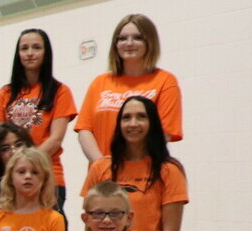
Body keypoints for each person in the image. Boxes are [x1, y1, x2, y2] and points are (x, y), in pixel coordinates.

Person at [77, 14, 181, 162]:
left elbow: (164, 133)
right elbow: (84, 129)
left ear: (150, 42)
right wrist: (102, 165)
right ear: (115, 44)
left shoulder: (165, 81)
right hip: (103, 176)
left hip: (143, 175)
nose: (129, 43)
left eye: (138, 38)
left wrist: (129, 170)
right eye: (122, 38)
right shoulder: (99, 83)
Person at [82, 96, 187, 231]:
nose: (133, 123)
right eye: (126, 117)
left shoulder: (170, 170)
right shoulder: (100, 167)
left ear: (152, 123)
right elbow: (90, 228)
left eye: (141, 117)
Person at [0, 29, 76, 201]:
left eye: (36, 47)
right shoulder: (6, 92)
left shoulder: (60, 91)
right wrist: (16, 169)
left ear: (46, 53)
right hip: (12, 177)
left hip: (48, 174)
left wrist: (27, 163)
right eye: (24, 48)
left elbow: (55, 139)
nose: (30, 53)